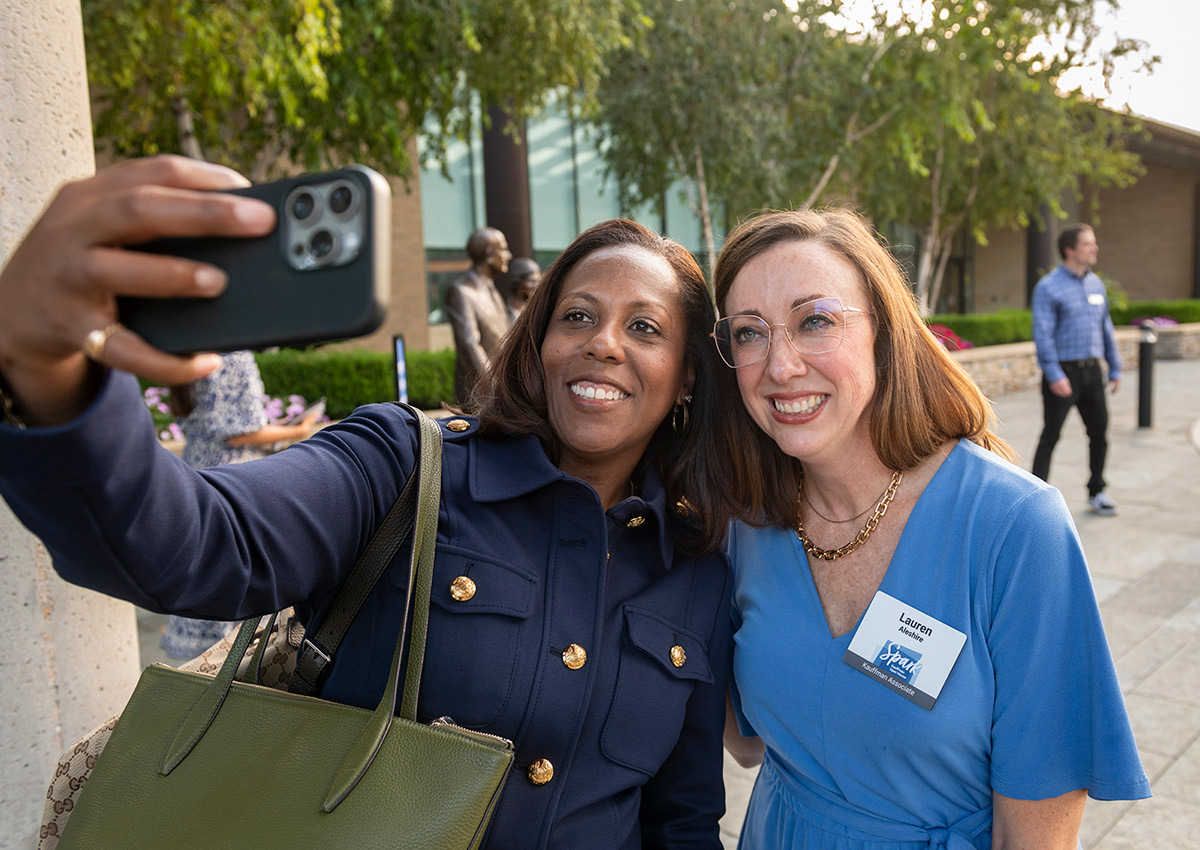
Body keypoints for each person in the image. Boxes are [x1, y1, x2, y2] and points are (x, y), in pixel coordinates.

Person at [0, 156, 736, 850]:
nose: (602, 342)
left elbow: (682, 819)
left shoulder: (696, 567)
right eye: (576, 316)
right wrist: (47, 368)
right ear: (539, 340)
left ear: (688, 377)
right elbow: (189, 546)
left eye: (645, 327)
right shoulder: (406, 463)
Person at [710, 209, 1149, 849]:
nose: (779, 365)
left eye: (815, 321)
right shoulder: (746, 522)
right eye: (749, 334)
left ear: (886, 333)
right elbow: (748, 745)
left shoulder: (1015, 530)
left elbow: (1035, 839)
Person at [157, 350, 320, 659]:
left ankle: (201, 675)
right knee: (235, 581)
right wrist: (298, 431)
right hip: (234, 482)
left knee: (203, 574)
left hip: (197, 472)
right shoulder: (232, 355)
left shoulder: (187, 346)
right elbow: (238, 433)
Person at [1031, 223, 1122, 516]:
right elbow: (1043, 334)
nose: (1094, 248)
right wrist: (1054, 374)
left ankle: (1097, 491)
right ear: (1070, 250)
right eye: (1088, 244)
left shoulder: (1096, 284)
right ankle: (1034, 500)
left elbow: (1105, 328)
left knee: (1099, 433)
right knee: (1051, 436)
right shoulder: (1049, 287)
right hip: (1063, 373)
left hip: (1092, 372)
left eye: (1093, 243)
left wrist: (1115, 367)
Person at [446, 226, 513, 403]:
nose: (508, 256)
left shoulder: (493, 291)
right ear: (490, 254)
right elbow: (470, 345)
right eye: (504, 249)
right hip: (480, 396)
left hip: (502, 392)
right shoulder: (462, 292)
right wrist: (494, 389)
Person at [498, 256, 542, 321]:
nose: (536, 285)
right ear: (516, 281)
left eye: (538, 281)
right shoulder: (502, 312)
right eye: (531, 281)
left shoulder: (538, 312)